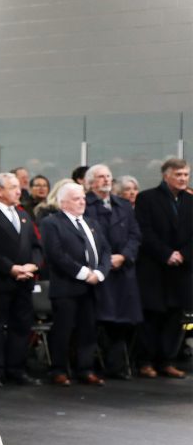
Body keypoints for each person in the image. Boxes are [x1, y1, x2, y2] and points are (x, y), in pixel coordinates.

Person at [41, 183, 112, 386]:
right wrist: (83, 273)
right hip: (66, 286)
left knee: (88, 329)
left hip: (92, 286)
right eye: (76, 199)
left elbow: (106, 250)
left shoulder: (91, 222)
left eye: (83, 198)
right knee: (64, 330)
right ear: (63, 202)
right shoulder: (52, 223)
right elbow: (56, 254)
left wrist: (99, 272)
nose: (82, 202)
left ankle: (85, 368)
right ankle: (59, 369)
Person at [0, 172, 42, 387]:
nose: (19, 190)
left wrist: (33, 265)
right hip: (1, 280)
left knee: (22, 325)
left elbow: (36, 245)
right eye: (13, 187)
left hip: (24, 280)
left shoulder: (24, 215)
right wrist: (11, 268)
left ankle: (16, 367)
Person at [133, 158, 192, 379]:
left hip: (182, 269)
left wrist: (183, 254)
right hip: (154, 267)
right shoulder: (147, 198)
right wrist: (166, 253)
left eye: (186, 174)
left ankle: (167, 360)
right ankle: (146, 361)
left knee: (175, 318)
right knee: (152, 316)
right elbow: (144, 231)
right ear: (166, 176)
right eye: (178, 175)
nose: (183, 179)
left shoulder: (190, 200)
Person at [84, 164, 142, 379]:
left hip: (123, 271)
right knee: (102, 319)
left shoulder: (123, 205)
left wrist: (124, 256)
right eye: (100, 177)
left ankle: (117, 366)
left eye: (108, 176)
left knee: (124, 321)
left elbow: (135, 235)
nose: (106, 180)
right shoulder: (86, 205)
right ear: (90, 182)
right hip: (100, 271)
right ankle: (99, 365)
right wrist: (107, 259)